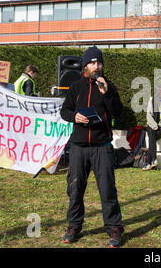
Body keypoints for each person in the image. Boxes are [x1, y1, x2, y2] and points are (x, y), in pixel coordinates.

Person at [60, 46, 124, 248]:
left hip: (102, 146)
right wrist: (74, 116)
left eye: (99, 63)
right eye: (92, 63)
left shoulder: (108, 86)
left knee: (107, 189)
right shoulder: (76, 87)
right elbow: (64, 111)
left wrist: (106, 94)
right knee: (75, 188)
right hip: (79, 147)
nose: (97, 66)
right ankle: (74, 225)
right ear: (85, 65)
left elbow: (118, 112)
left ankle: (114, 227)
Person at [143, 87, 161, 171]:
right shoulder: (152, 100)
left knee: (151, 137)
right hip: (153, 125)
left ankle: (150, 162)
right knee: (151, 130)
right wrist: (154, 125)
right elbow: (149, 114)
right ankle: (153, 160)